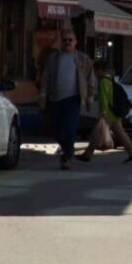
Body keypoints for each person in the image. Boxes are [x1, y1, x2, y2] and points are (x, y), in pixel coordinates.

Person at [39, 28, 96, 170]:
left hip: (73, 99)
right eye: (64, 40)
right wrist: (42, 95)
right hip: (55, 99)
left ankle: (68, 156)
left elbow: (91, 79)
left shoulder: (82, 59)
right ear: (61, 42)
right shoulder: (53, 58)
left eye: (70, 40)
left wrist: (90, 97)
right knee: (56, 130)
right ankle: (67, 150)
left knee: (70, 128)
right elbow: (45, 78)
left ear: (75, 42)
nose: (67, 42)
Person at [76, 60, 132, 164]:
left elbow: (105, 98)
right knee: (119, 133)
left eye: (95, 71)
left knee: (96, 134)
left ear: (100, 70)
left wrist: (103, 112)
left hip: (108, 114)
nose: (95, 74)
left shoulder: (103, 82)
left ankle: (87, 155)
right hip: (113, 113)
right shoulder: (110, 80)